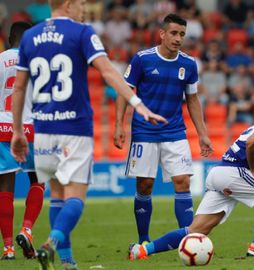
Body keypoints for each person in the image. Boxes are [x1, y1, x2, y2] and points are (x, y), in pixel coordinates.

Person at [10, 0, 166, 269]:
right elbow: (106, 70)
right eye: (81, 3)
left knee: (57, 196)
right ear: (69, 4)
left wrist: (16, 131)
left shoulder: (30, 37)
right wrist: (138, 105)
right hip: (74, 129)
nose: (84, 8)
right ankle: (51, 243)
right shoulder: (82, 32)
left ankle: (68, 263)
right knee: (76, 198)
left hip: (43, 130)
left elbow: (19, 88)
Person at [128, 90, 254, 260]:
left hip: (220, 173)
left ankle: (142, 250)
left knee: (196, 231)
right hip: (235, 172)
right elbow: (252, 143)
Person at [114, 13, 213, 245]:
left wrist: (203, 134)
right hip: (144, 131)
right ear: (162, 34)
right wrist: (119, 124)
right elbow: (124, 91)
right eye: (174, 33)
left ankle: (188, 241)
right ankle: (143, 241)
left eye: (182, 34)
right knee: (145, 185)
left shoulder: (189, 64)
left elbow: (192, 100)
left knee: (183, 182)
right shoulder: (142, 59)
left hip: (175, 131)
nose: (178, 38)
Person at [0, 21, 44, 261]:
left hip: (3, 128)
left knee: (4, 188)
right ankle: (26, 229)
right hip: (32, 129)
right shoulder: (38, 65)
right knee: (38, 181)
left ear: (9, 39)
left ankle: (8, 248)